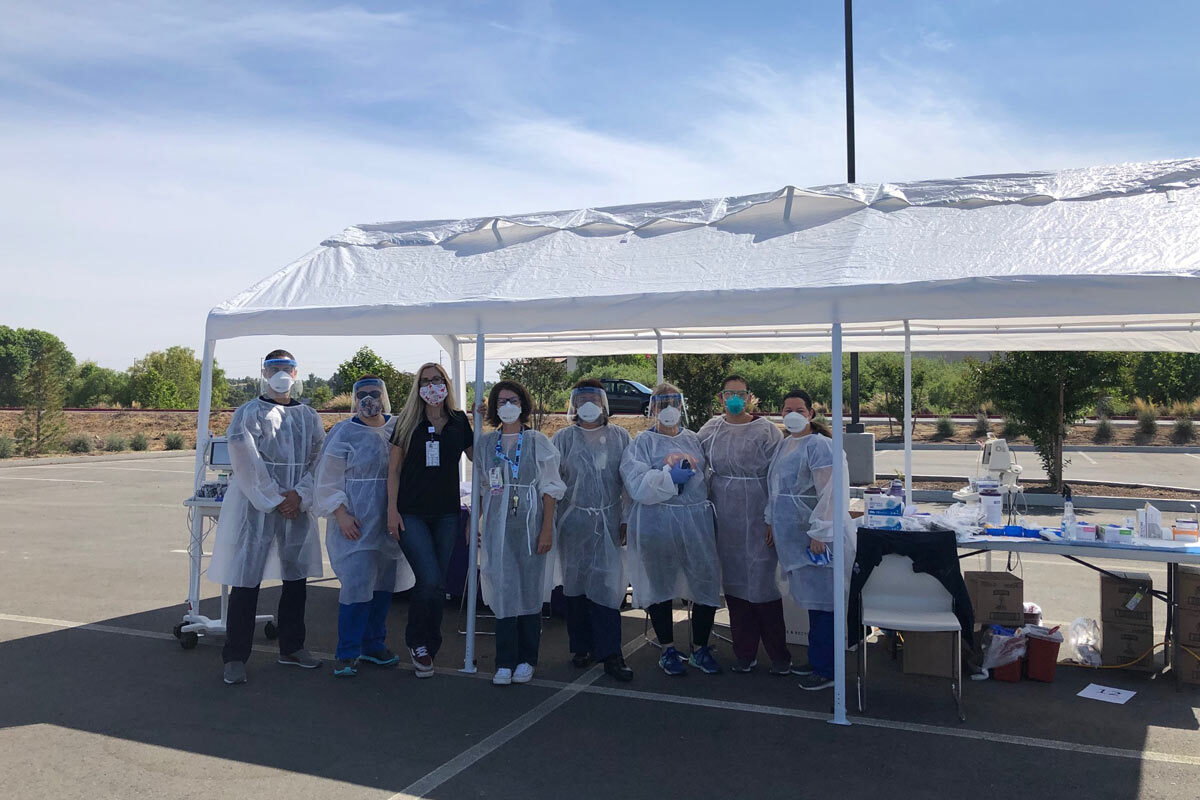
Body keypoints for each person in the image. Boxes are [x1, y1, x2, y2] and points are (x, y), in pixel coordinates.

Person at [208, 350, 325, 686]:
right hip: (255, 507)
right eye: (274, 369)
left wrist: (300, 495)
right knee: (246, 580)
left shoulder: (308, 416)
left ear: (296, 372)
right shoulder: (248, 414)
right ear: (263, 373)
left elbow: (319, 458)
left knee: (296, 577)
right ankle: (234, 656)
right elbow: (246, 461)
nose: (280, 374)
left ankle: (292, 646)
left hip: (296, 506)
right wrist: (275, 498)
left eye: (286, 369)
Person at [620, 383, 723, 676]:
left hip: (696, 522)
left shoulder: (695, 440)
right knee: (660, 585)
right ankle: (667, 649)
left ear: (681, 407)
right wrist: (667, 477)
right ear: (652, 408)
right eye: (661, 403)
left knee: (705, 583)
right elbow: (636, 484)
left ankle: (700, 649)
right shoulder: (641, 444)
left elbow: (708, 479)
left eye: (673, 402)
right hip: (657, 521)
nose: (667, 409)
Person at [315, 376, 412, 677]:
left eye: (374, 393)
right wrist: (340, 514)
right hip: (356, 522)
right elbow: (327, 477)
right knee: (357, 584)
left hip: (388, 521)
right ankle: (347, 651)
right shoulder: (345, 432)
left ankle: (373, 645)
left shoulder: (397, 429)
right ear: (354, 399)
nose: (368, 400)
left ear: (385, 397)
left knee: (383, 584)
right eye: (362, 394)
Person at [387, 362, 474, 678]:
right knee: (430, 579)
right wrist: (392, 511)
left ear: (446, 384)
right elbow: (393, 470)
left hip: (448, 513)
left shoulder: (458, 421)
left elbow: (480, 457)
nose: (432, 386)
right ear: (418, 387)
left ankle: (429, 644)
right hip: (412, 513)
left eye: (437, 380)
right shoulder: (407, 422)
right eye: (425, 381)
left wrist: (483, 420)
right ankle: (417, 641)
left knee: (436, 585)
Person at [475, 381, 565, 686]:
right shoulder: (486, 444)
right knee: (504, 589)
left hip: (531, 524)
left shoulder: (538, 441)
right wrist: (474, 525)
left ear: (523, 404)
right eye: (500, 401)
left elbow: (551, 488)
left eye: (512, 400)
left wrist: (546, 529)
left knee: (529, 591)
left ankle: (527, 658)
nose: (507, 406)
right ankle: (504, 660)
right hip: (498, 527)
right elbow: (483, 488)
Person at [698, 375, 790, 674]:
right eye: (729, 393)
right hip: (724, 514)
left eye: (740, 393)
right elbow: (694, 457)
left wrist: (772, 518)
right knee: (735, 584)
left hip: (759, 511)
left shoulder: (765, 431)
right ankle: (744, 653)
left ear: (750, 397)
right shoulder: (712, 429)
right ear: (720, 397)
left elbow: (779, 477)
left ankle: (778, 656)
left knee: (763, 584)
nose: (735, 398)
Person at [765, 390, 854, 691]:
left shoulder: (819, 445)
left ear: (811, 414)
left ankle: (828, 668)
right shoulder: (786, 444)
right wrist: (770, 521)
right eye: (787, 409)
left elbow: (830, 492)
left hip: (817, 539)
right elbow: (775, 489)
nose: (792, 414)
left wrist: (821, 532)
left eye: (799, 410)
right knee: (814, 605)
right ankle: (818, 659)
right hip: (795, 535)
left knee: (825, 604)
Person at [552, 380, 634, 682]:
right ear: (574, 403)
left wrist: (626, 518)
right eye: (582, 398)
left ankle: (612, 653)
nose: (588, 404)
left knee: (608, 587)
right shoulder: (562, 439)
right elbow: (552, 480)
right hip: (573, 522)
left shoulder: (620, 437)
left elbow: (629, 481)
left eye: (593, 398)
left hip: (609, 520)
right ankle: (581, 647)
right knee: (575, 587)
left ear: (603, 404)